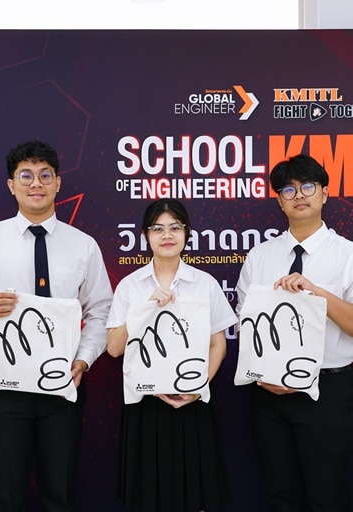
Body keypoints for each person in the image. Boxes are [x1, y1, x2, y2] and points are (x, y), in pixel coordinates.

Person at [0, 140, 113, 512]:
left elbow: (102, 311)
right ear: (11, 185)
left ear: (58, 183)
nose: (36, 183)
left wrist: (83, 360)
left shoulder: (83, 246)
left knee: (60, 493)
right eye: (26, 175)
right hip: (4, 387)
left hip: (63, 384)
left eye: (45, 175)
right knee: (6, 495)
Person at [235, 154, 353, 511]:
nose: (299, 195)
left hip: (326, 392)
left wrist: (318, 294)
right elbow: (245, 325)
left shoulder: (351, 256)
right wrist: (265, 373)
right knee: (280, 495)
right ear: (279, 200)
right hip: (269, 393)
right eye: (288, 190)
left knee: (326, 495)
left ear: (324, 193)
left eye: (308, 186)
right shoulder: (260, 257)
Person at [106, 198, 237, 512]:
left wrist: (197, 386)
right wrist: (145, 309)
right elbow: (113, 348)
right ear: (145, 236)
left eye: (175, 228)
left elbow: (218, 345)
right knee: (148, 495)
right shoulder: (130, 286)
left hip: (192, 402)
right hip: (145, 404)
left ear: (187, 233)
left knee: (194, 493)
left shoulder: (204, 284)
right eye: (157, 229)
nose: (167, 235)